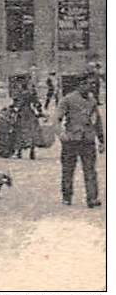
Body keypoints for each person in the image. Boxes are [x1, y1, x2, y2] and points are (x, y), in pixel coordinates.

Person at [58, 79, 103, 208]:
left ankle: (92, 198)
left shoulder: (92, 101)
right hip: (71, 141)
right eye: (89, 84)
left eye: (92, 84)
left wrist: (101, 140)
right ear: (80, 85)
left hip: (88, 140)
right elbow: (57, 119)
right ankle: (67, 196)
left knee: (90, 170)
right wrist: (61, 134)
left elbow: (97, 121)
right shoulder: (67, 100)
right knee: (68, 170)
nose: (91, 86)